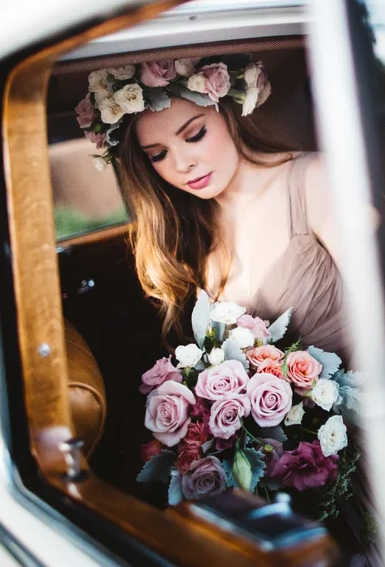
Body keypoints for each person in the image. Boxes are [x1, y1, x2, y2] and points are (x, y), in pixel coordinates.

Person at [74, 56, 351, 356]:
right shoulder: (194, 228)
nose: (182, 164)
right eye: (158, 155)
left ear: (228, 115)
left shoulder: (313, 180)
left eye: (194, 135)